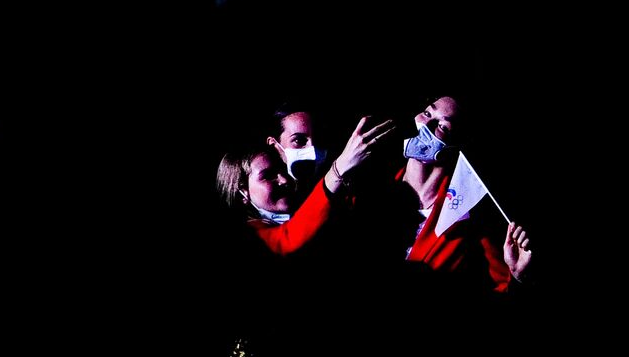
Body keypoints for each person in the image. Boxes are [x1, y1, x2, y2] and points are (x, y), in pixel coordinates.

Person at [394, 95, 532, 294]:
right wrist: (343, 171)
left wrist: (518, 275)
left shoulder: (467, 213)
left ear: (456, 145)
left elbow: (502, 288)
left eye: (443, 126)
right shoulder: (374, 187)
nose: (426, 125)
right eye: (427, 113)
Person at [215, 115, 394, 256]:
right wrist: (339, 168)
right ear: (242, 192)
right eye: (268, 176)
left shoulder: (305, 206)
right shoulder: (245, 235)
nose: (284, 180)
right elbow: (287, 240)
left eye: (282, 170)